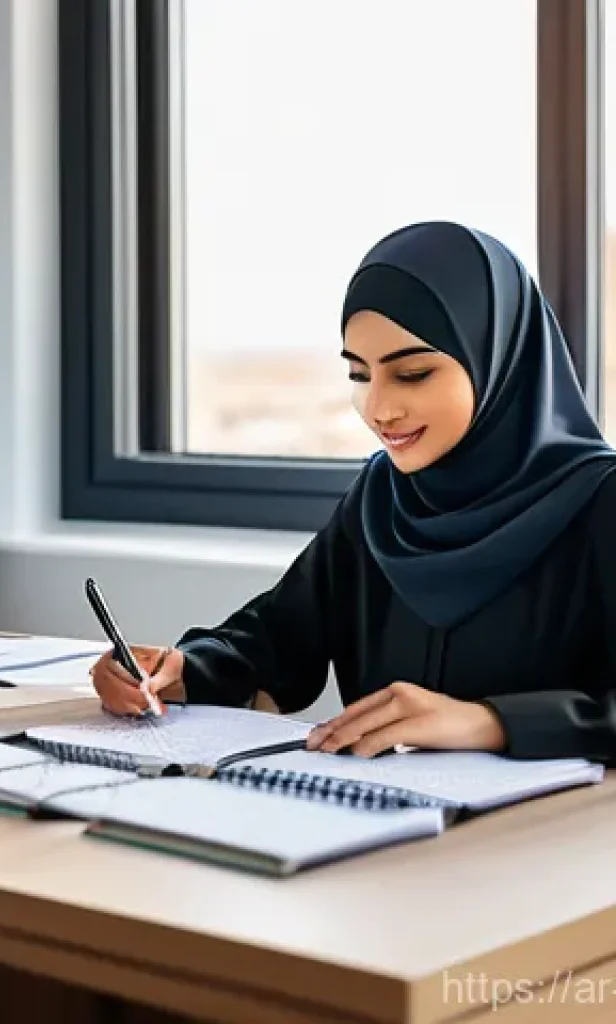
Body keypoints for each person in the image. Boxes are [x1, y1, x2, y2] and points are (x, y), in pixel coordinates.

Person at [90, 220, 616, 762]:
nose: (379, 410)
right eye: (361, 375)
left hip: (558, 836)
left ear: (500, 361)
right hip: (385, 826)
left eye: (412, 374)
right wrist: (179, 671)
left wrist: (487, 722)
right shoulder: (381, 498)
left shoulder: (600, 501)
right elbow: (277, 641)